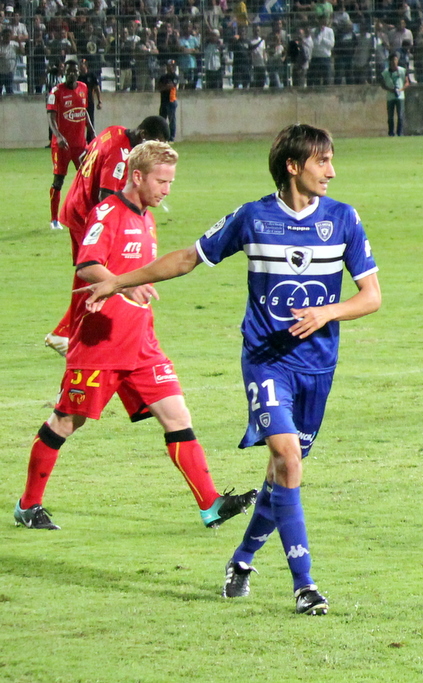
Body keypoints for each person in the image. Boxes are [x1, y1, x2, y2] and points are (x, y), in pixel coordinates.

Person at [79, 124, 382, 616]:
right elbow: (186, 259)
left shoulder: (343, 219)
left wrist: (327, 312)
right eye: (322, 161)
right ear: (293, 166)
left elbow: (372, 297)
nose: (331, 171)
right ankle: (305, 586)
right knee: (287, 457)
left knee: (282, 472)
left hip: (318, 366)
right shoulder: (253, 217)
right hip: (266, 361)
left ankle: (241, 560)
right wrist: (117, 281)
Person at [16, 141, 258, 532]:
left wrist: (132, 289)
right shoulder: (108, 213)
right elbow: (87, 265)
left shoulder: (146, 220)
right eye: (161, 181)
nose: (167, 189)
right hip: (100, 345)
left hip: (142, 344)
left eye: (171, 182)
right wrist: (124, 285)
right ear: (138, 176)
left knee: (177, 415)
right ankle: (28, 505)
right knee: (66, 422)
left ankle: (210, 504)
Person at [44, 115, 171, 357]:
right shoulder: (121, 153)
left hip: (78, 206)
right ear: (143, 135)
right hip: (87, 215)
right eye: (155, 143)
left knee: (93, 271)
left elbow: (85, 156)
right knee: (97, 270)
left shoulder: (114, 130)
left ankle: (73, 332)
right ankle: (67, 332)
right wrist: (125, 225)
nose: (156, 151)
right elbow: (106, 194)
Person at [47, 58, 95, 232]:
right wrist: (58, 136)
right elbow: (51, 117)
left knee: (88, 179)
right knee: (58, 181)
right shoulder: (56, 92)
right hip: (62, 146)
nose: (72, 74)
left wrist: (91, 130)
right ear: (64, 73)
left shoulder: (83, 88)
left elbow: (83, 111)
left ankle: (87, 215)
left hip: (80, 145)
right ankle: (54, 219)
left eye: (74, 71)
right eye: (68, 72)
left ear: (78, 72)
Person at [379, 52, 408, 136]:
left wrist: (401, 89)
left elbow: (407, 82)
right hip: (390, 97)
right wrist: (390, 90)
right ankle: (391, 132)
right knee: (390, 116)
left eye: (395, 60)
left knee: (400, 115)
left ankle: (400, 133)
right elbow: (382, 84)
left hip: (400, 96)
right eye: (392, 60)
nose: (394, 62)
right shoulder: (385, 72)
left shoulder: (402, 71)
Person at [79, 57, 102, 134]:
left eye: (82, 64)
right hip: (80, 103)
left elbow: (97, 88)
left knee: (90, 121)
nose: (81, 66)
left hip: (89, 101)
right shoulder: (78, 77)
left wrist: (99, 101)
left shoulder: (91, 75)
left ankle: (90, 138)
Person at [157, 60, 179, 141]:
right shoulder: (163, 77)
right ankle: (162, 137)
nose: (171, 67)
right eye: (169, 65)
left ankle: (171, 137)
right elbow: (159, 87)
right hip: (163, 101)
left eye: (172, 65)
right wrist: (165, 87)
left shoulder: (175, 76)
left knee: (172, 120)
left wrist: (164, 87)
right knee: (162, 120)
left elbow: (171, 86)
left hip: (171, 101)